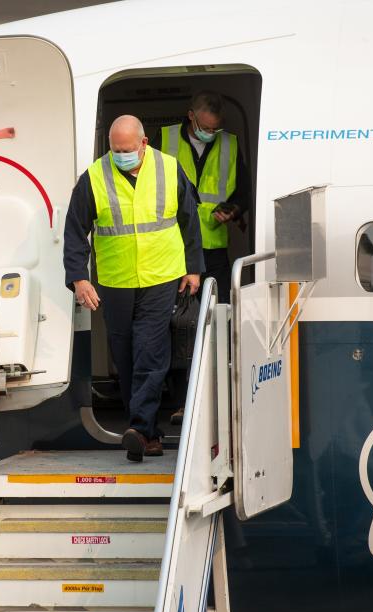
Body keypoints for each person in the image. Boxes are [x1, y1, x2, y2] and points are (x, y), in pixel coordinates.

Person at [63, 115, 204, 462]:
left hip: (161, 275)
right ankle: (149, 436)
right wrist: (79, 277)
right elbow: (74, 229)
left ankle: (139, 427)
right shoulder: (95, 176)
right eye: (115, 150)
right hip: (116, 280)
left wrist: (193, 268)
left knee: (150, 351)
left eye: (127, 149)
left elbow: (189, 219)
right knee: (124, 357)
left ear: (143, 143)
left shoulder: (169, 169)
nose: (120, 155)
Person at [158, 91, 250, 424]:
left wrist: (234, 209)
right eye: (205, 127)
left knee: (218, 321)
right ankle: (182, 401)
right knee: (178, 327)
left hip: (213, 249)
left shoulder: (230, 144)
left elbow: (244, 189)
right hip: (174, 249)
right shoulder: (164, 140)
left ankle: (217, 399)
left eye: (215, 128)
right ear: (191, 117)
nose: (210, 133)